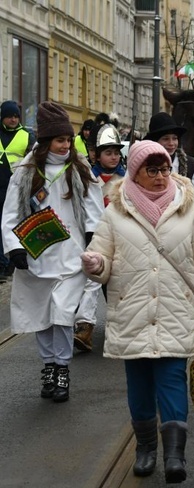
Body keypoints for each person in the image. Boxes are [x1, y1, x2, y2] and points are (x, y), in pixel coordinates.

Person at [81, 140, 194, 483]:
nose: (161, 177)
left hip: (176, 310)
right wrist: (96, 264)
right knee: (140, 384)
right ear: (135, 173)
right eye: (152, 170)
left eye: (165, 169)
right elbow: (102, 258)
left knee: (172, 379)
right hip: (133, 311)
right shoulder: (116, 211)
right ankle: (145, 448)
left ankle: (175, 455)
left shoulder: (189, 209)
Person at [1, 101, 104, 402]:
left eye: (69, 140)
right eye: (60, 140)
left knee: (62, 315)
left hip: (70, 256)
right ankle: (49, 367)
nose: (66, 145)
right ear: (46, 141)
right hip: (36, 257)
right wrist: (14, 248)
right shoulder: (26, 171)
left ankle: (62, 370)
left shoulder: (80, 167)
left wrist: (91, 233)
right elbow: (10, 213)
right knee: (41, 316)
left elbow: (93, 204)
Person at [73, 124, 126, 353]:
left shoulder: (128, 179)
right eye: (108, 152)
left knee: (123, 282)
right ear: (96, 154)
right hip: (96, 235)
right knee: (91, 280)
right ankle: (85, 326)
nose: (113, 157)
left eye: (116, 152)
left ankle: (124, 324)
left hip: (123, 236)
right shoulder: (87, 179)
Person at [144, 112, 194, 235]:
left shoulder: (190, 167)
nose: (171, 143)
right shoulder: (142, 166)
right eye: (165, 139)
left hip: (182, 234)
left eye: (175, 138)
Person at [0, 100, 35, 279]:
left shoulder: (27, 135)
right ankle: (2, 264)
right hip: (0, 185)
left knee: (17, 224)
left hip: (18, 188)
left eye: (15, 116)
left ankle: (14, 258)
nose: (13, 120)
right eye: (9, 116)